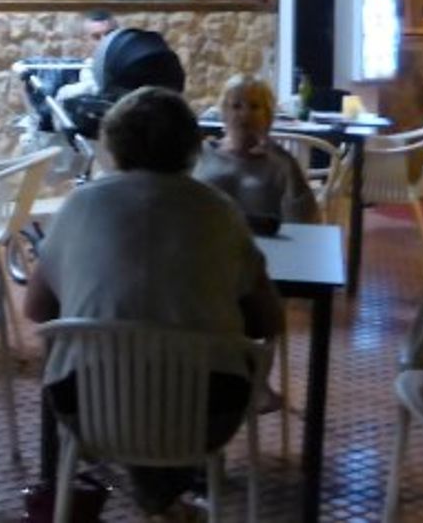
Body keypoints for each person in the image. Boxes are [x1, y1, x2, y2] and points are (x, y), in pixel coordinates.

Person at [24, 86, 283, 518]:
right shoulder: (220, 211)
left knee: (123, 376)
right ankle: (164, 497)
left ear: (114, 143)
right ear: (190, 146)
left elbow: (36, 310)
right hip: (203, 417)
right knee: (182, 380)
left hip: (91, 410)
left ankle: (157, 497)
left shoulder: (80, 205)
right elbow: (268, 320)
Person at [194, 74, 321, 225]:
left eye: (254, 107)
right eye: (236, 106)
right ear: (224, 112)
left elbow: (306, 222)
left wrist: (289, 166)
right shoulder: (204, 153)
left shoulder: (281, 163)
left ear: (267, 115)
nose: (245, 114)